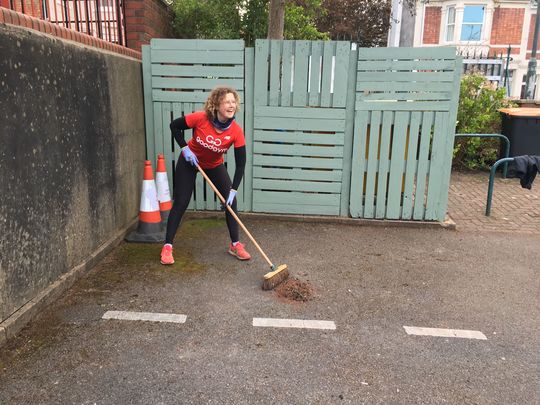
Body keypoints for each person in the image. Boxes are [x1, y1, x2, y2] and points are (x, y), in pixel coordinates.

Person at [160, 86, 251, 265]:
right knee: (181, 201)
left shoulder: (236, 131)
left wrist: (234, 189)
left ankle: (235, 245)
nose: (231, 105)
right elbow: (174, 126)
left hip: (214, 165)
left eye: (234, 101)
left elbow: (241, 163)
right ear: (217, 104)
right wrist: (185, 149)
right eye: (227, 101)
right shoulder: (201, 118)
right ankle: (167, 246)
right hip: (190, 162)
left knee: (231, 202)